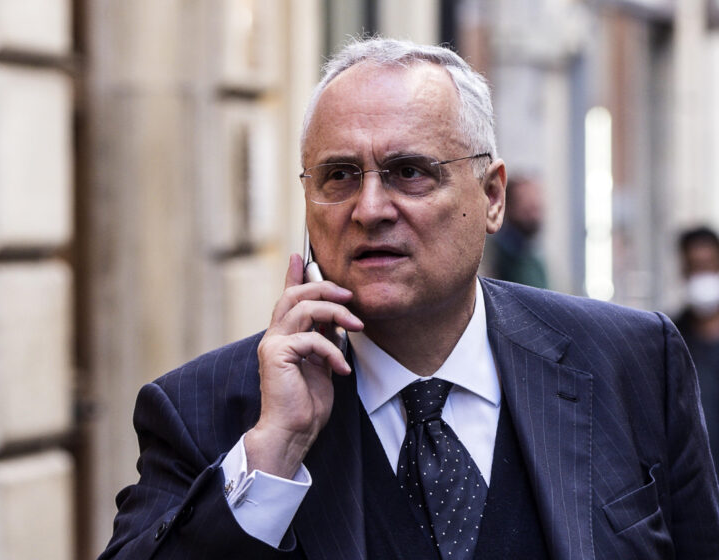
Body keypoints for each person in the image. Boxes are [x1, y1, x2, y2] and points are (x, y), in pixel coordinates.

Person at [99, 38, 719, 560]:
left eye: (410, 172)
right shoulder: (209, 413)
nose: (370, 209)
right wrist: (275, 451)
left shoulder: (633, 363)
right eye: (339, 176)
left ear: (492, 196)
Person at [675, 226, 719, 467]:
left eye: (708, 266)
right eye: (695, 267)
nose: (702, 276)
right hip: (695, 472)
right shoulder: (672, 337)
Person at [488, 174, 548, 288]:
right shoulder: (495, 256)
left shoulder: (534, 262)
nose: (534, 216)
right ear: (507, 207)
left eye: (536, 208)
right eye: (527, 207)